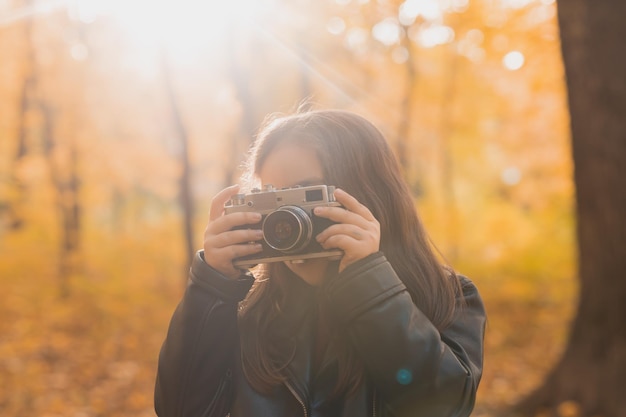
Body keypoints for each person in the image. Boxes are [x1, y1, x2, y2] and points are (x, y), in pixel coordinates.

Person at [154, 109, 486, 417]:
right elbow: (181, 410)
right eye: (272, 199)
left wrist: (368, 283)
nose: (286, 223)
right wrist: (213, 286)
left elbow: (443, 407)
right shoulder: (251, 310)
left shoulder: (446, 296)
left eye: (306, 197)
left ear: (368, 196)